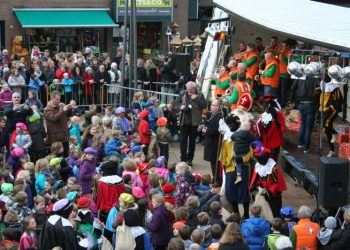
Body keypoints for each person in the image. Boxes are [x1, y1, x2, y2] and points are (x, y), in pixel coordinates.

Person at [249, 143, 287, 217]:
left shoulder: (274, 167)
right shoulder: (258, 166)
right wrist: (258, 187)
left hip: (273, 196)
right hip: (263, 193)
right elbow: (258, 180)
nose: (258, 161)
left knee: (274, 214)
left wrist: (268, 192)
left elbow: (278, 184)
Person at [178, 81, 207, 166]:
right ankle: (183, 158)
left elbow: (204, 105)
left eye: (190, 89)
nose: (189, 91)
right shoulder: (182, 93)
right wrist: (181, 107)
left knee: (192, 142)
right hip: (184, 121)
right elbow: (176, 103)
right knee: (182, 141)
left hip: (194, 123)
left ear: (194, 88)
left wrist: (196, 98)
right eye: (187, 89)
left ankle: (190, 159)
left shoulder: (200, 94)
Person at [290, 77, 319, 153]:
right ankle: (306, 147)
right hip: (311, 104)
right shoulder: (315, 78)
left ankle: (300, 143)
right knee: (308, 127)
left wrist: (292, 100)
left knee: (303, 123)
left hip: (301, 104)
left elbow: (293, 88)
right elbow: (321, 89)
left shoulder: (300, 77)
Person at [320, 78, 343, 157]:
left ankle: (332, 149)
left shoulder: (335, 88)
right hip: (323, 110)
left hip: (332, 110)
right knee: (326, 129)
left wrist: (330, 109)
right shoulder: (322, 84)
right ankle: (334, 134)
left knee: (326, 125)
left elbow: (339, 101)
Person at [44, 91, 72, 157]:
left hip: (64, 136)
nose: (59, 101)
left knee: (66, 155)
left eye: (59, 99)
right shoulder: (47, 109)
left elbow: (68, 115)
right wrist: (63, 111)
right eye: (57, 99)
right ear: (52, 98)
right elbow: (54, 118)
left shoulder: (60, 107)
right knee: (57, 158)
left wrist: (69, 109)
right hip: (55, 139)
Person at [202, 99, 222, 185]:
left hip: (215, 142)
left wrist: (208, 130)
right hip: (210, 141)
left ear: (219, 107)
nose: (212, 107)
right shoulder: (211, 114)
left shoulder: (220, 116)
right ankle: (215, 177)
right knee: (212, 161)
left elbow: (218, 130)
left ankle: (217, 179)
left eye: (214, 105)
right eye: (211, 105)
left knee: (215, 161)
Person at [279, 40, 292, 108]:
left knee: (283, 91)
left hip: (285, 75)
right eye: (282, 46)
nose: (282, 47)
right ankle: (279, 104)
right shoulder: (281, 52)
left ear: (288, 46)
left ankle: (282, 105)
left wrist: (283, 54)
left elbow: (287, 63)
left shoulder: (290, 52)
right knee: (279, 91)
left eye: (284, 46)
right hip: (279, 74)